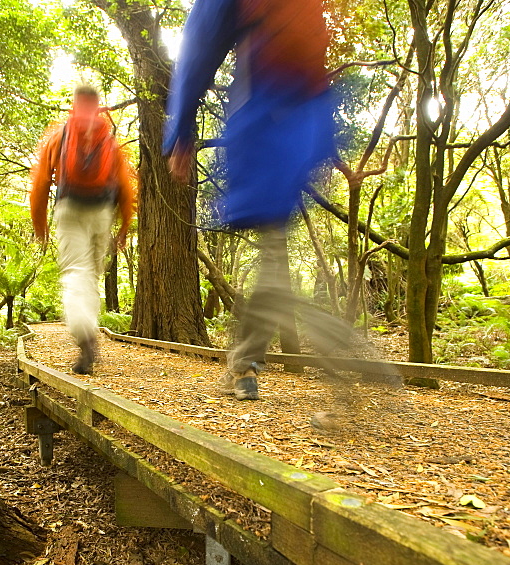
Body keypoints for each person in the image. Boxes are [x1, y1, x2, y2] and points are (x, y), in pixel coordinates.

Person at [164, 0, 341, 401]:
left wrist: (324, 142)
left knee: (277, 247)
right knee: (274, 246)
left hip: (298, 123)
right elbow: (199, 43)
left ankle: (245, 361)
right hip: (261, 118)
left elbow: (315, 53)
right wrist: (182, 129)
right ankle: (244, 363)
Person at [30, 85, 137, 375]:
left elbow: (40, 183)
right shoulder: (109, 140)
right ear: (98, 105)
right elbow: (126, 189)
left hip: (69, 208)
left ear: (74, 106)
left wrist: (40, 226)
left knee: (75, 271)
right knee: (90, 274)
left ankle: (84, 332)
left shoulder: (59, 136)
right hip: (101, 213)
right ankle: (89, 328)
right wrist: (124, 226)